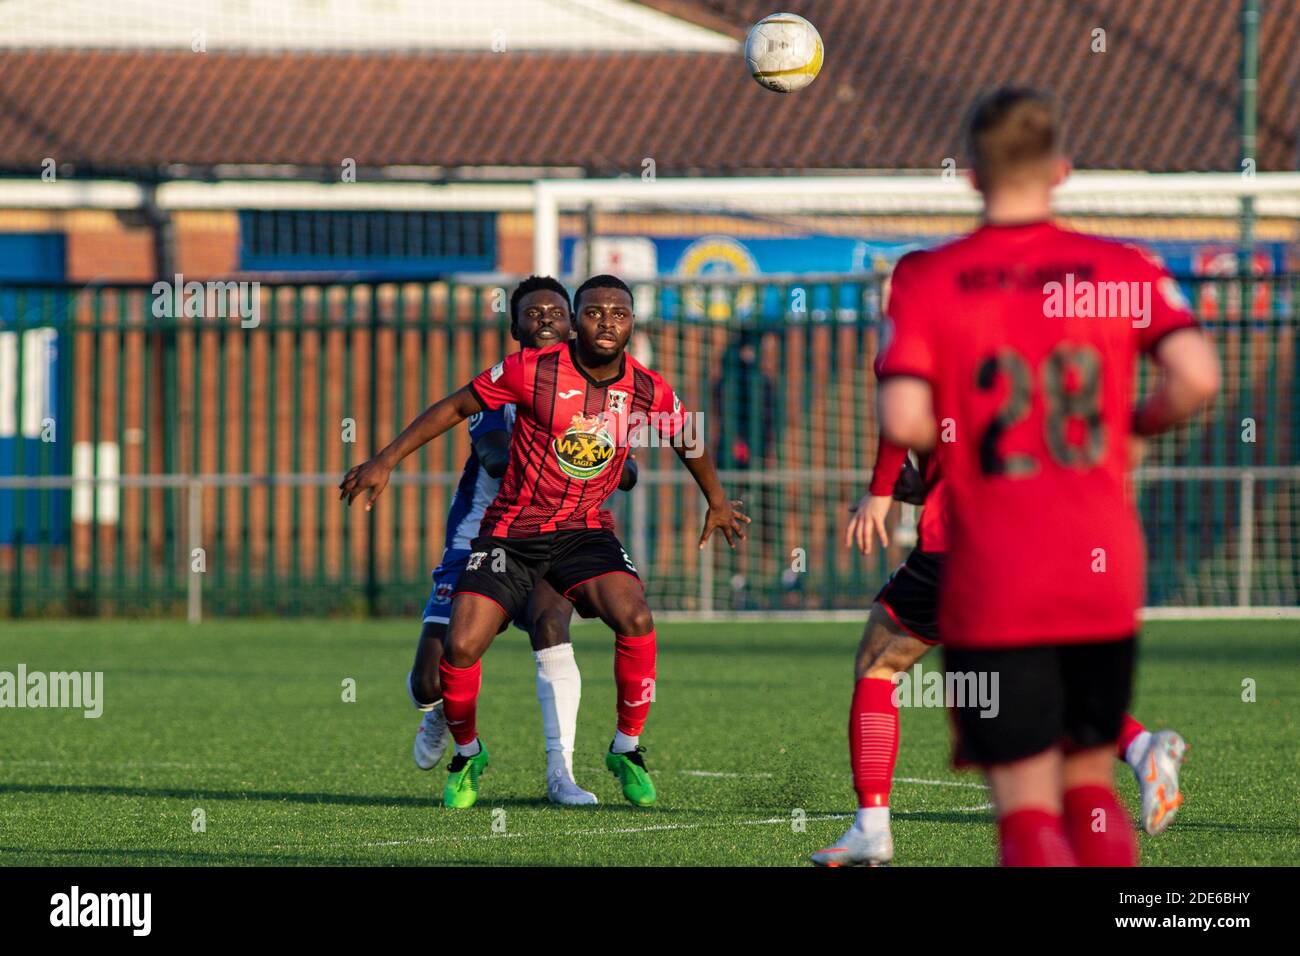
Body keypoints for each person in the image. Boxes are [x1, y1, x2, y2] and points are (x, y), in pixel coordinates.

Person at [872, 88, 1219, 866]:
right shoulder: (1121, 267)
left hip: (994, 563)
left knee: (1027, 802)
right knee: (1089, 782)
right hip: (1100, 562)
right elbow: (1196, 375)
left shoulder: (932, 280)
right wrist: (1130, 429)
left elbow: (901, 419)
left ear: (970, 176)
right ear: (1062, 170)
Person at [341, 274, 749, 809]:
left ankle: (597, 759)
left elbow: (683, 432)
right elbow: (470, 425)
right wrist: (384, 460)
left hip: (579, 530)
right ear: (523, 325)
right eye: (590, 312)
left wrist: (714, 499)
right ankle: (466, 749)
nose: (552, 321)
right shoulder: (522, 375)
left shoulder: (643, 385)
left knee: (619, 617)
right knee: (443, 666)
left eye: (618, 313)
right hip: (501, 532)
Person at [813, 431, 1187, 866]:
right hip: (1039, 532)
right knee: (1029, 674)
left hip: (960, 542)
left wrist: (880, 491)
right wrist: (928, 484)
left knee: (880, 664)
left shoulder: (918, 360)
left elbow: (902, 409)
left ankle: (871, 825)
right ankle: (1142, 748)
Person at [406, 275, 635, 806]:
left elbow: (619, 462)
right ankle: (444, 710)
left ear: (573, 323)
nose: (547, 320)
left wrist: (616, 465)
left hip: (554, 534)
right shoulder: (500, 385)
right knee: (429, 680)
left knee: (552, 624)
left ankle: (562, 774)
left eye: (557, 312)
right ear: (515, 327)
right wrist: (571, 456)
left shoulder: (595, 391)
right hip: (481, 538)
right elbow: (494, 456)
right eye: (533, 314)